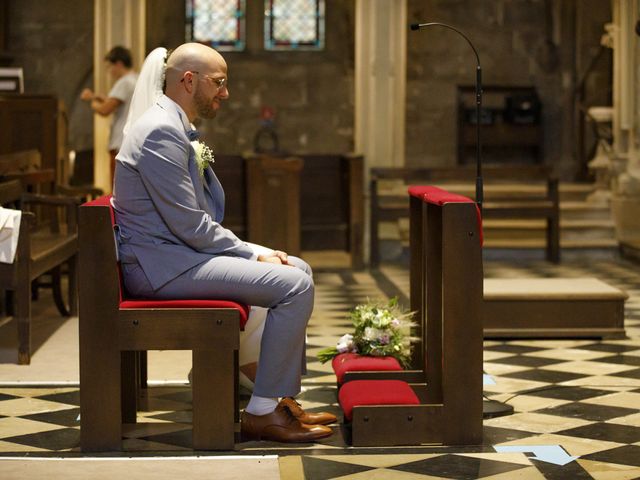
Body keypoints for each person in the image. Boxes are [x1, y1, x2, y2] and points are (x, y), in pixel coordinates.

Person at [112, 43, 335, 443]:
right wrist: (255, 251)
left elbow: (191, 223)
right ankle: (261, 412)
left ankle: (279, 398)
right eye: (219, 82)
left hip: (174, 255)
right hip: (160, 266)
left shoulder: (172, 124)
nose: (225, 93)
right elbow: (192, 226)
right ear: (187, 80)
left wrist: (257, 250)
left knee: (299, 267)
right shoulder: (161, 130)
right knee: (294, 284)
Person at [81, 46, 138, 185]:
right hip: (132, 140)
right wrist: (96, 96)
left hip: (120, 142)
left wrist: (92, 102)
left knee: (118, 186)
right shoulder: (136, 79)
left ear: (118, 64)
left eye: (109, 67)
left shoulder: (124, 82)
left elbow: (105, 110)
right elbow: (115, 101)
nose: (109, 72)